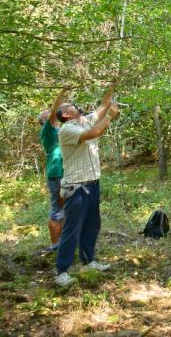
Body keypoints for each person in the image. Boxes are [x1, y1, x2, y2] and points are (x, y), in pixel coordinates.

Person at [53, 86, 119, 288]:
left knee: (92, 225)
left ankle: (88, 261)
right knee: (72, 229)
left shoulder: (82, 120)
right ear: (66, 114)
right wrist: (109, 117)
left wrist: (111, 86)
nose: (74, 104)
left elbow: (102, 105)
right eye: (70, 105)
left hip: (93, 182)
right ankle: (61, 272)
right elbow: (94, 132)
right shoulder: (67, 129)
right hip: (76, 187)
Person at [37, 87, 69, 254]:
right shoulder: (47, 130)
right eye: (48, 114)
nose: (51, 114)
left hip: (65, 173)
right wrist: (61, 94)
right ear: (45, 121)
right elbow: (55, 111)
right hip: (56, 173)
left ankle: (64, 241)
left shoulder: (60, 130)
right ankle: (55, 244)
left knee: (65, 209)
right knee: (57, 209)